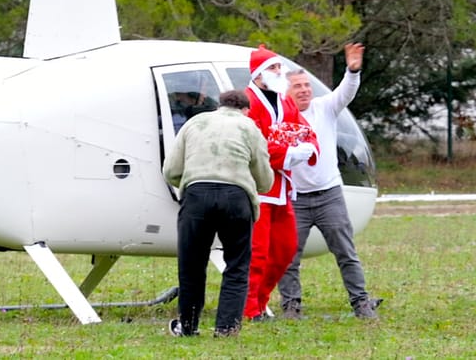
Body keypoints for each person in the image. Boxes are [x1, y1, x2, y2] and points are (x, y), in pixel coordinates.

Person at [278, 43, 383, 319]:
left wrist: (352, 70)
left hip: (328, 195)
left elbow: (345, 93)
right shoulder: (280, 116)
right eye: (297, 86)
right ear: (285, 92)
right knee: (289, 257)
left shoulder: (324, 107)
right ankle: (291, 306)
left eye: (306, 85)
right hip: (296, 198)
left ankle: (361, 303)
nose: (304, 90)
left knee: (346, 252)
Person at [162, 90, 274, 337]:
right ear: (245, 110)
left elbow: (170, 170)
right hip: (236, 198)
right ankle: (226, 328)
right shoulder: (249, 127)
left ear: (219, 105)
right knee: (236, 264)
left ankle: (188, 326)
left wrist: (192, 181)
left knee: (192, 265)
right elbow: (265, 179)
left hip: (196, 195)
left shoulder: (195, 122)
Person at [243, 44, 320, 321]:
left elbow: (303, 129)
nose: (280, 71)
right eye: (274, 68)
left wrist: (309, 147)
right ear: (259, 74)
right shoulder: (247, 102)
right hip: (258, 188)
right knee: (258, 252)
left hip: (283, 188)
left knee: (285, 249)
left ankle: (260, 302)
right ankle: (250, 308)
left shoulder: (284, 99)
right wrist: (287, 154)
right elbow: (252, 146)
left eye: (279, 66)